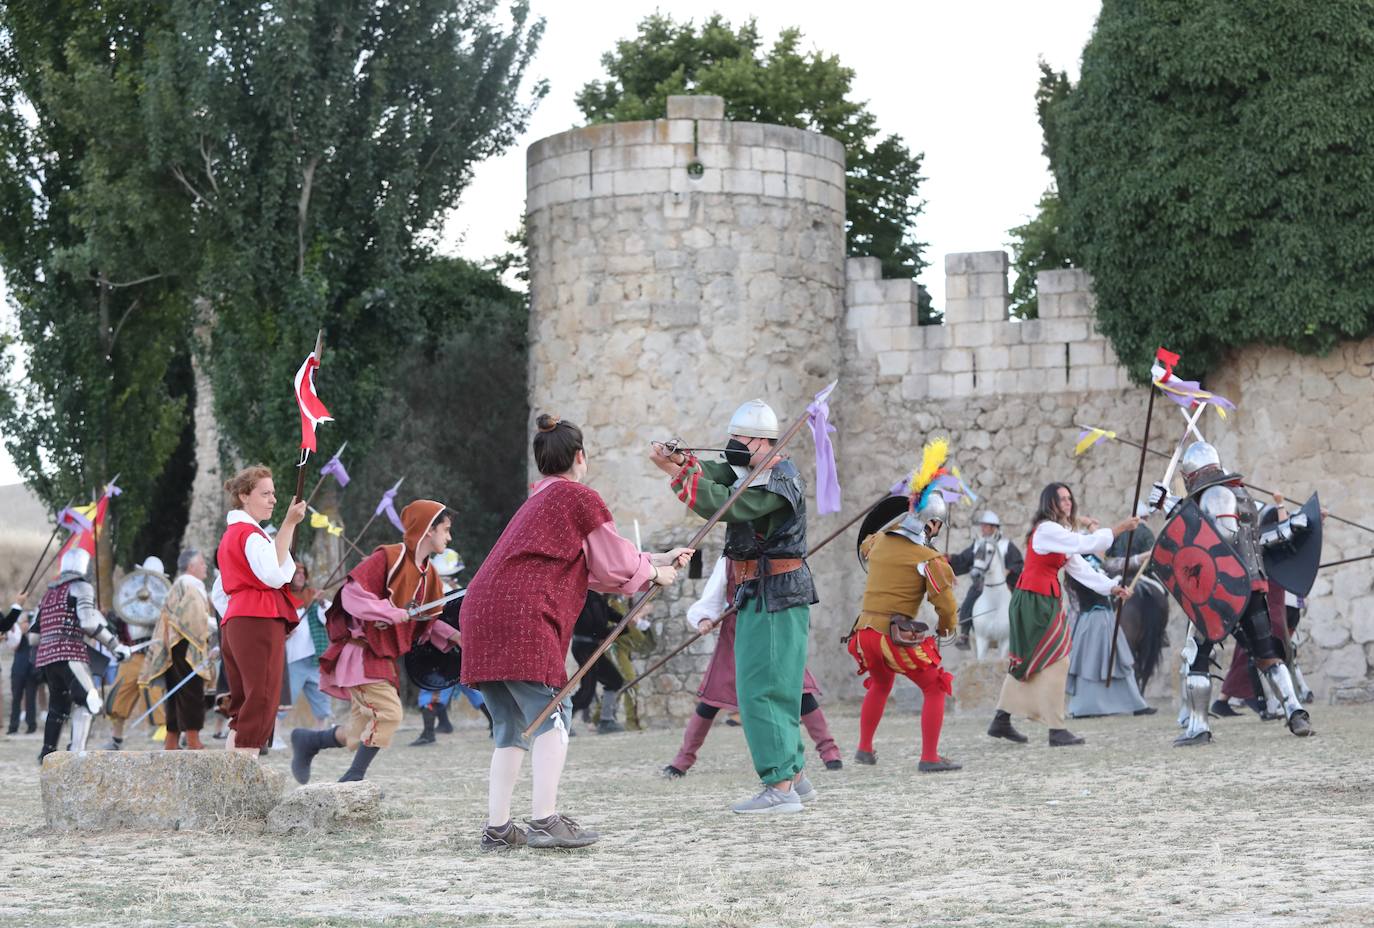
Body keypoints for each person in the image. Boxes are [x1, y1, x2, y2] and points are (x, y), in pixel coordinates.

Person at [462, 414, 691, 850]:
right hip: (522, 615)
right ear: (580, 456)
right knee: (554, 713)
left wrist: (657, 560)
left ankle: (498, 829)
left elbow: (595, 563)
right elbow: (613, 565)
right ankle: (545, 821)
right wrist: (653, 575)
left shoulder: (539, 501)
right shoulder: (579, 498)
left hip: (482, 611)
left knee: (511, 724)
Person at [650, 399, 817, 814]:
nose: (733, 445)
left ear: (761, 441)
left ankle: (779, 786)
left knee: (761, 690)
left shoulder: (778, 481)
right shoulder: (756, 470)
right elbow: (717, 473)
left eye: (741, 438)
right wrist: (683, 461)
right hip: (761, 591)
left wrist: (676, 474)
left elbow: (725, 502)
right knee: (772, 687)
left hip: (775, 591)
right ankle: (794, 777)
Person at [1151, 445, 1315, 744]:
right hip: (1250, 585)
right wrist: (1168, 504)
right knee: (1266, 655)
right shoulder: (1240, 494)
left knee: (1196, 655)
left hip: (1221, 589)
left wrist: (1171, 507)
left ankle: (1199, 727)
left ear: (1193, 474)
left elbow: (1217, 538)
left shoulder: (1217, 494)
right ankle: (1295, 711)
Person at [290, 499, 460, 783]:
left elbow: (427, 622)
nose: (449, 537)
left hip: (382, 659)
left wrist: (455, 636)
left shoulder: (430, 576)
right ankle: (352, 779)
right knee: (390, 714)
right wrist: (390, 613)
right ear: (429, 530)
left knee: (357, 735)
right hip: (361, 654)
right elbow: (352, 596)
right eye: (445, 529)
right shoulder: (388, 558)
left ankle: (309, 741)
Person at [987, 483, 1138, 747]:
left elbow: (1080, 568)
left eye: (1070, 498)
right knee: (1058, 659)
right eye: (1062, 499)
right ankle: (1056, 729)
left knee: (1031, 659)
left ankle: (1001, 719)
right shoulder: (1047, 530)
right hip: (1034, 600)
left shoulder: (1059, 534)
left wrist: (1110, 587)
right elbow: (1087, 543)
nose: (1068, 503)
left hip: (1043, 599)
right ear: (1050, 504)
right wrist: (1120, 528)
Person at [664, 554, 841, 779]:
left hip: (774, 629)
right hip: (737, 636)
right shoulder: (729, 559)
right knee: (712, 699)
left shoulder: (783, 551)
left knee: (800, 691)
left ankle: (830, 752)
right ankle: (682, 761)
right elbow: (712, 598)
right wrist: (704, 619)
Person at [847, 440, 961, 772]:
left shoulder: (879, 541)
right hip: (891, 636)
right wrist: (946, 627)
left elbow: (866, 543)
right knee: (936, 685)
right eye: (937, 523)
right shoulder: (928, 558)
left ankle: (864, 749)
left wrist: (894, 520)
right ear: (931, 524)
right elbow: (946, 604)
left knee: (881, 684)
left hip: (863, 633)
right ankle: (929, 757)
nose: (939, 530)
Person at [213, 465, 305, 756]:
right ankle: (241, 786)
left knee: (245, 705)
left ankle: (230, 782)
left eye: (273, 494)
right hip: (255, 620)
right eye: (265, 494)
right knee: (260, 700)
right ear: (243, 496)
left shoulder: (234, 536)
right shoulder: (249, 535)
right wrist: (289, 525)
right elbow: (274, 574)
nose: (273, 500)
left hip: (238, 621)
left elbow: (220, 592)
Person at [29, 548, 131, 760]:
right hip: (70, 654)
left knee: (58, 707)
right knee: (90, 701)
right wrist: (115, 645)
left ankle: (47, 754)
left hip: (47, 658)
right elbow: (88, 622)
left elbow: (33, 638)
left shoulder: (48, 594)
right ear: (83, 566)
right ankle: (77, 755)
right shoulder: (81, 587)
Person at [139, 549, 216, 749]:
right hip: (187, 644)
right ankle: (193, 740)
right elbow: (194, 617)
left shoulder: (179, 584)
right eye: (201, 563)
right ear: (191, 566)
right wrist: (219, 625)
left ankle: (171, 740)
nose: (205, 567)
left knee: (176, 694)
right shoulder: (189, 585)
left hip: (176, 644)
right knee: (191, 693)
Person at [1063, 545, 1151, 718]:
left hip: (1106, 618)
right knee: (1089, 663)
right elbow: (1094, 588)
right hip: (1092, 620)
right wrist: (1115, 589)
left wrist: (1120, 591)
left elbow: (1121, 564)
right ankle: (1084, 706)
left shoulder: (1099, 565)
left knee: (1119, 661)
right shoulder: (1082, 569)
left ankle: (1135, 703)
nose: (1104, 551)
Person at [103, 556, 169, 748]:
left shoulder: (164, 597)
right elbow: (120, 620)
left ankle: (167, 738)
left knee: (153, 692)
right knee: (119, 696)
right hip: (133, 653)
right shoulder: (131, 593)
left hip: (154, 653)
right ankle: (116, 738)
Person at [949, 511, 1023, 650]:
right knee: (968, 602)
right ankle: (964, 634)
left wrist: (1009, 570)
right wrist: (950, 559)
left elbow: (1018, 563)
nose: (982, 529)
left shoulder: (1006, 545)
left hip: (1005, 584)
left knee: (1019, 604)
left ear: (994, 527)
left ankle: (1020, 635)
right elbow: (964, 560)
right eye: (982, 526)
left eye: (985, 526)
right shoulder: (978, 544)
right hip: (982, 584)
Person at [570, 591, 635, 734]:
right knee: (587, 690)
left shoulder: (599, 599)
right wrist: (618, 629)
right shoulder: (586, 597)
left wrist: (626, 620)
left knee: (614, 680)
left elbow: (609, 614)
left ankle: (606, 720)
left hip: (594, 648)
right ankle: (563, 722)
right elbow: (594, 627)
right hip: (584, 648)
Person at [279, 564, 334, 733]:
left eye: (303, 573)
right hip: (293, 658)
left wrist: (322, 603)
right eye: (296, 573)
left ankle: (321, 731)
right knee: (285, 699)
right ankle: (275, 735)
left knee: (321, 697)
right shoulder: (282, 598)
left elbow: (328, 618)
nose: (301, 576)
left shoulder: (313, 596)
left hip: (314, 656)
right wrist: (284, 630)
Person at [4, 592, 39, 734]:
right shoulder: (15, 631)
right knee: (16, 698)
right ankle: (13, 726)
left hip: (31, 669)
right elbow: (14, 645)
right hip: (18, 669)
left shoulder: (35, 631)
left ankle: (31, 725)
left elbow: (37, 643)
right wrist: (21, 632)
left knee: (30, 699)